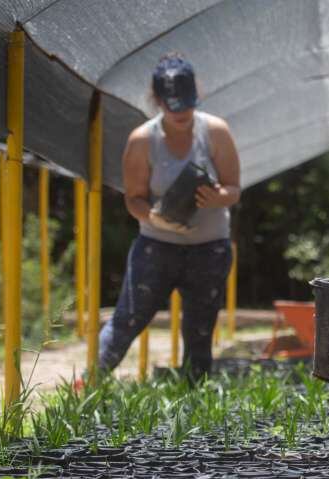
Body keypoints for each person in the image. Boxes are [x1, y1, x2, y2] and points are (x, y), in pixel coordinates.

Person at [92, 52, 240, 381]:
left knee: (200, 330)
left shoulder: (215, 131)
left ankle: (194, 396)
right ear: (157, 100)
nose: (181, 113)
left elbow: (234, 189)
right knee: (127, 319)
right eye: (173, 106)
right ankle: (88, 384)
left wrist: (218, 196)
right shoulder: (142, 141)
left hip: (209, 247)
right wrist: (155, 218)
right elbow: (133, 198)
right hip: (157, 246)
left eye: (187, 105)